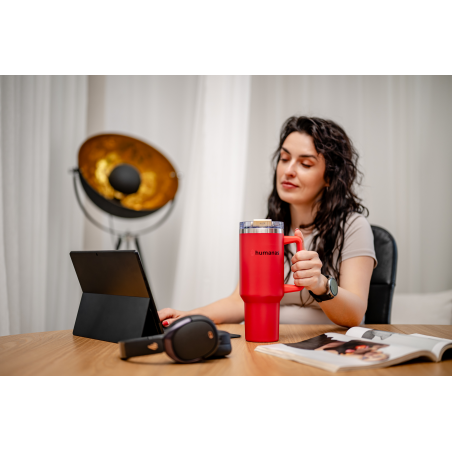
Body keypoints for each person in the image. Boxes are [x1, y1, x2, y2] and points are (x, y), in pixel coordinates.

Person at [159, 116, 377, 328]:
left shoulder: (353, 226)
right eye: (284, 159)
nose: (288, 171)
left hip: (328, 345)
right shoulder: (268, 228)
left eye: (305, 164)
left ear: (329, 177)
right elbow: (239, 302)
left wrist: (321, 284)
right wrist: (190, 316)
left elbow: (355, 314)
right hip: (272, 344)